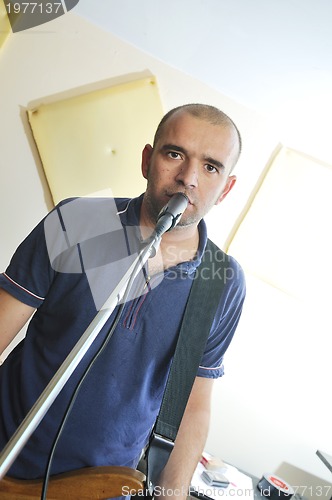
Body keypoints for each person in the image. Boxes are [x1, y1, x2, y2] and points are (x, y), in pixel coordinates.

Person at [0, 103, 246, 497]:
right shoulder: (79, 220)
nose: (188, 178)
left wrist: (173, 494)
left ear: (226, 188)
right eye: (174, 154)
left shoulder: (223, 281)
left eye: (210, 167)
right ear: (148, 160)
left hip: (100, 485)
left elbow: (193, 406)